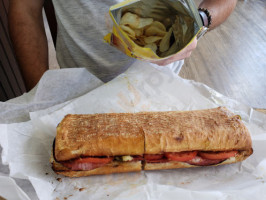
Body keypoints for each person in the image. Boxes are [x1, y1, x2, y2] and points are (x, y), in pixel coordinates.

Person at [8, 0, 237, 91]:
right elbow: (25, 9)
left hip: (161, 87)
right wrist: (39, 94)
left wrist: (200, 21)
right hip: (75, 92)